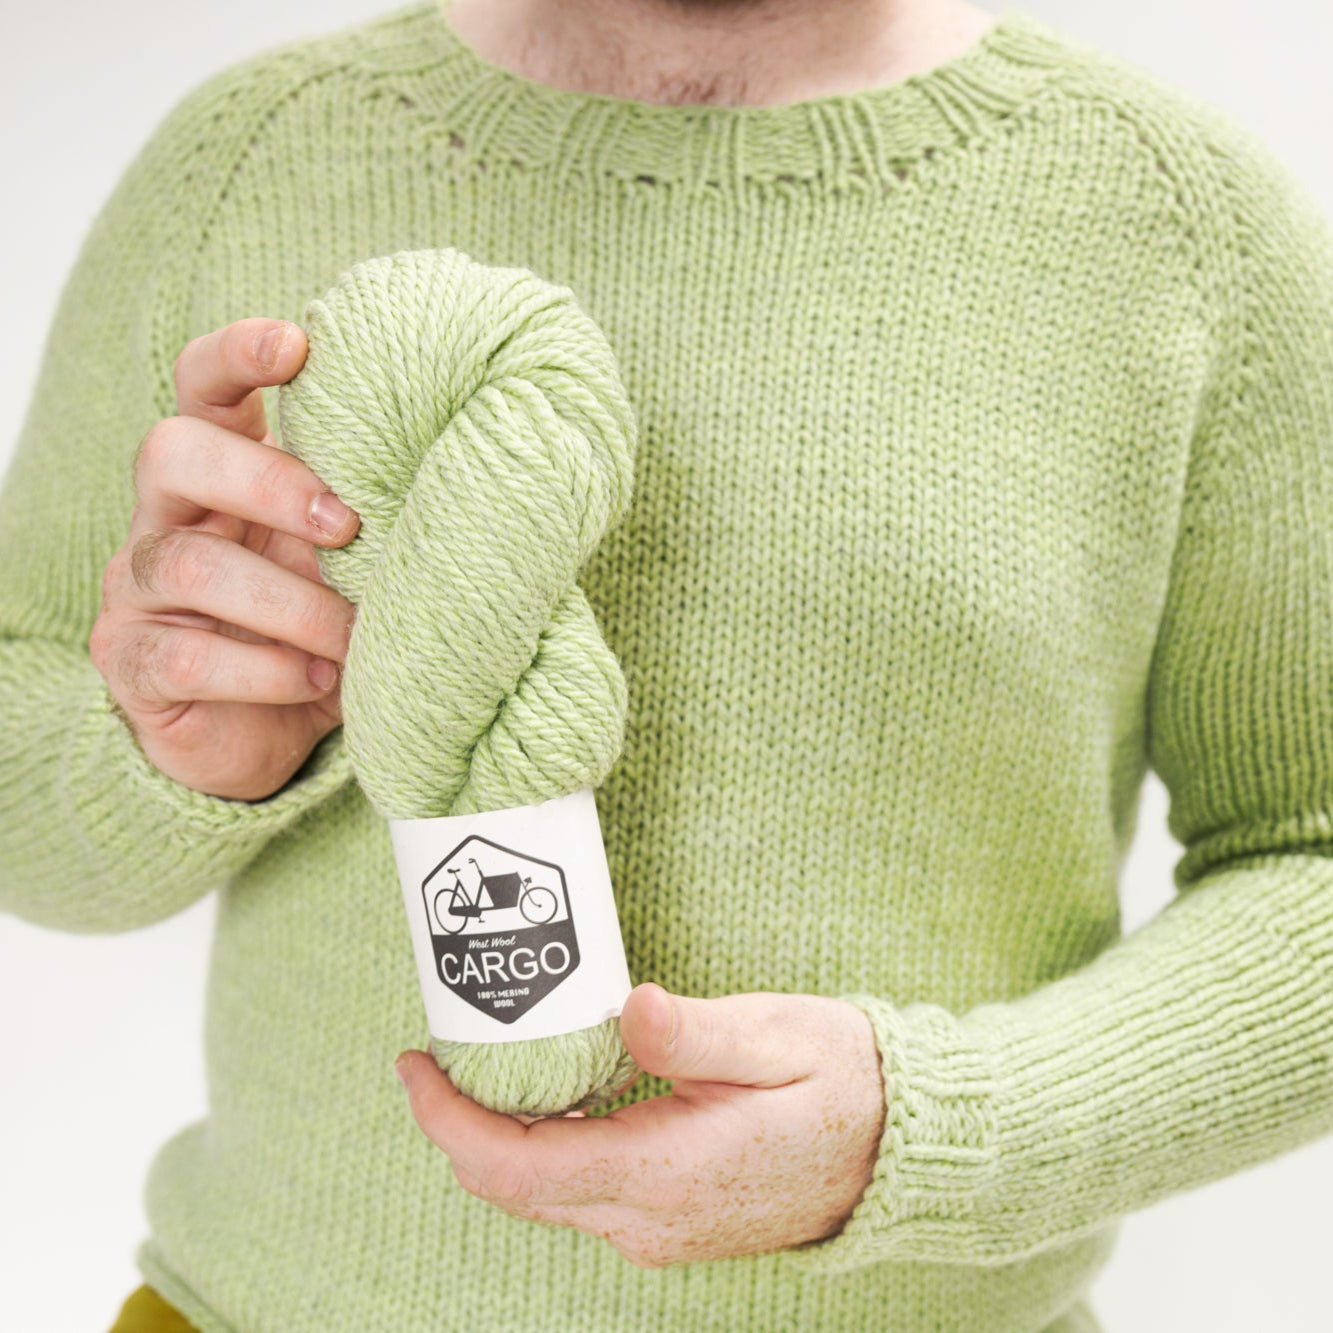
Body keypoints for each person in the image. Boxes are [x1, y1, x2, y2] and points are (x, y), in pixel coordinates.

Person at [2, 0, 1331, 1329]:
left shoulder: (1180, 228)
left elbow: (1308, 853)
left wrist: (939, 1129)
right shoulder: (248, 158)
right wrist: (164, 760)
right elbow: (24, 782)